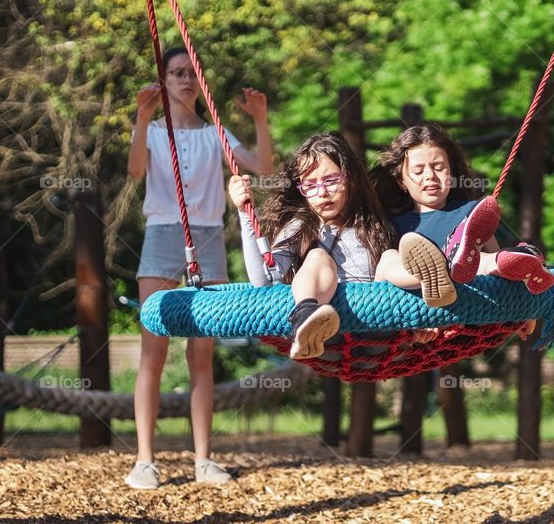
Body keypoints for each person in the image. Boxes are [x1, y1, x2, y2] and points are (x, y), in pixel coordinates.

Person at [124, 47, 273, 489]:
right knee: (154, 352)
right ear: (164, 80)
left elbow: (264, 168)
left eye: (191, 73)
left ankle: (204, 459)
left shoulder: (216, 135)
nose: (185, 80)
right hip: (162, 233)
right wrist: (141, 117)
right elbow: (134, 171)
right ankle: (145, 460)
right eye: (176, 73)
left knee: (201, 355)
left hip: (206, 237)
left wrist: (261, 120)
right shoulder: (152, 132)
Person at [228, 132, 451, 359]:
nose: (322, 192)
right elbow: (263, 280)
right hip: (327, 340)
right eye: (310, 185)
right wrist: (246, 214)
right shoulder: (302, 226)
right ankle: (306, 314)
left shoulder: (374, 223)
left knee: (389, 258)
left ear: (351, 179)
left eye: (331, 180)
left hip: (382, 334)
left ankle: (427, 281)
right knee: (317, 256)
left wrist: (422, 317)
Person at [374, 124, 554, 338]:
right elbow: (381, 283)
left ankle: (516, 262)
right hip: (417, 308)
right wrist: (410, 322)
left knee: (483, 260)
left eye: (439, 167)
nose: (430, 176)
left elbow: (494, 273)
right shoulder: (395, 223)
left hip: (467, 301)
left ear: (452, 172)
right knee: (388, 258)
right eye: (418, 170)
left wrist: (523, 306)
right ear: (401, 182)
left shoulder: (472, 213)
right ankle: (434, 273)